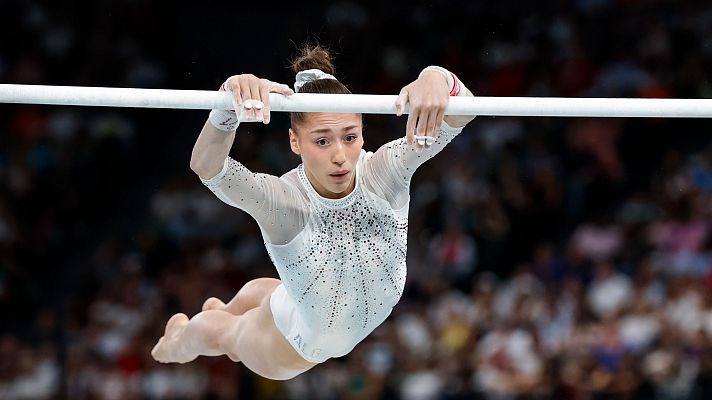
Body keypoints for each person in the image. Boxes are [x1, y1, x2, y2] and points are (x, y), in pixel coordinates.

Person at [150, 44, 476, 380]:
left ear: (362, 132)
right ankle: (177, 343)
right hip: (295, 345)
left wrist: (437, 78)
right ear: (294, 141)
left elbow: (463, 112)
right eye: (322, 141)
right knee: (225, 335)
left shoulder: (385, 171)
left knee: (269, 298)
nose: (340, 155)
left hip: (307, 305)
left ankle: (226, 307)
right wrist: (226, 105)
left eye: (350, 137)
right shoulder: (284, 203)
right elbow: (207, 167)